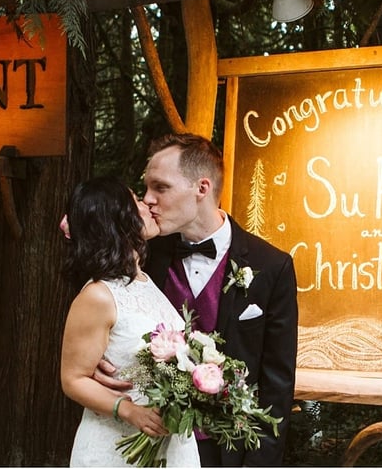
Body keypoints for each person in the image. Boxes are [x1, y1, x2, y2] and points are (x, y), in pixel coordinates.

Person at [98, 133, 299, 466]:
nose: (148, 199)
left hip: (228, 450)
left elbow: (276, 385)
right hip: (150, 440)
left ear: (202, 188)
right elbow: (99, 310)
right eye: (146, 188)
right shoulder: (142, 255)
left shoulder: (271, 267)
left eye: (161, 187)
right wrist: (94, 359)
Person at [59, 176, 201, 468]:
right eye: (136, 201)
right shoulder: (98, 295)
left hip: (168, 444)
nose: (147, 204)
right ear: (116, 219)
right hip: (117, 447)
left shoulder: (145, 281)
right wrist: (128, 410)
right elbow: (73, 379)